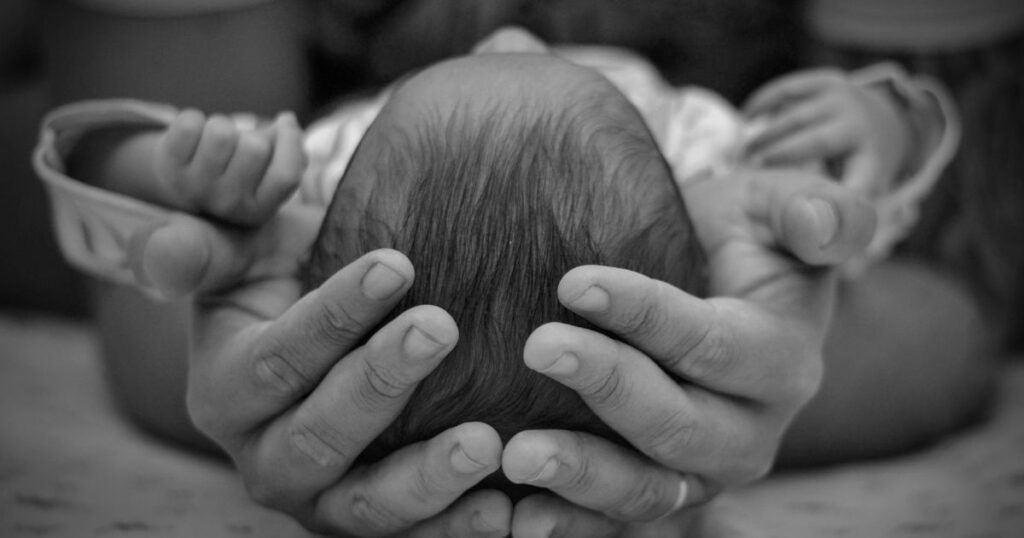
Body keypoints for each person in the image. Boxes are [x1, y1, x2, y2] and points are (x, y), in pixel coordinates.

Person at [34, 28, 981, 537]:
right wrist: (882, 128)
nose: (509, 35)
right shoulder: (700, 166)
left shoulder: (325, 180)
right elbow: (877, 220)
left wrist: (174, 174)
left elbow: (120, 212)